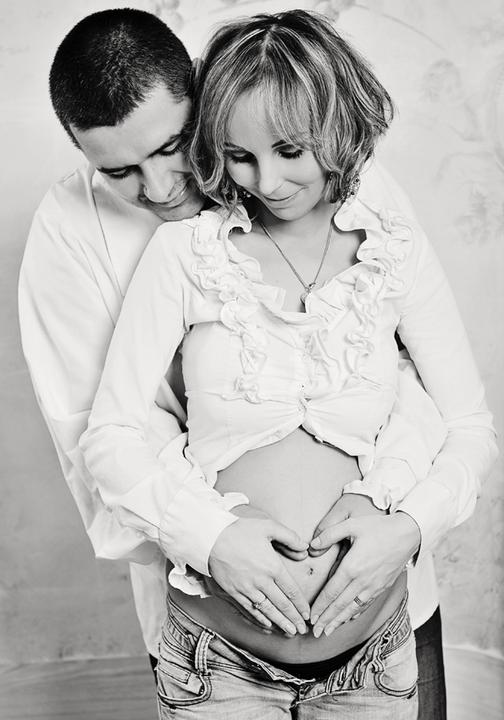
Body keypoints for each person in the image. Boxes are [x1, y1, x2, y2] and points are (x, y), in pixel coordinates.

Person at [78, 9, 497, 720]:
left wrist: (408, 526)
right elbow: (109, 437)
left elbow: (470, 427)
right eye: (239, 156)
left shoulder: (395, 253)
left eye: (290, 150)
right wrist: (211, 536)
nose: (267, 181)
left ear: (339, 125)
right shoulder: (186, 254)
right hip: (218, 668)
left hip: (374, 666)